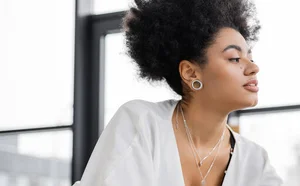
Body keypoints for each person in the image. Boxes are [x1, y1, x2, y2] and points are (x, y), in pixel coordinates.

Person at [75, 0, 282, 185]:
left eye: (250, 58)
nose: (253, 68)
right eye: (235, 58)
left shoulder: (255, 161)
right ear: (191, 73)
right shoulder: (142, 124)